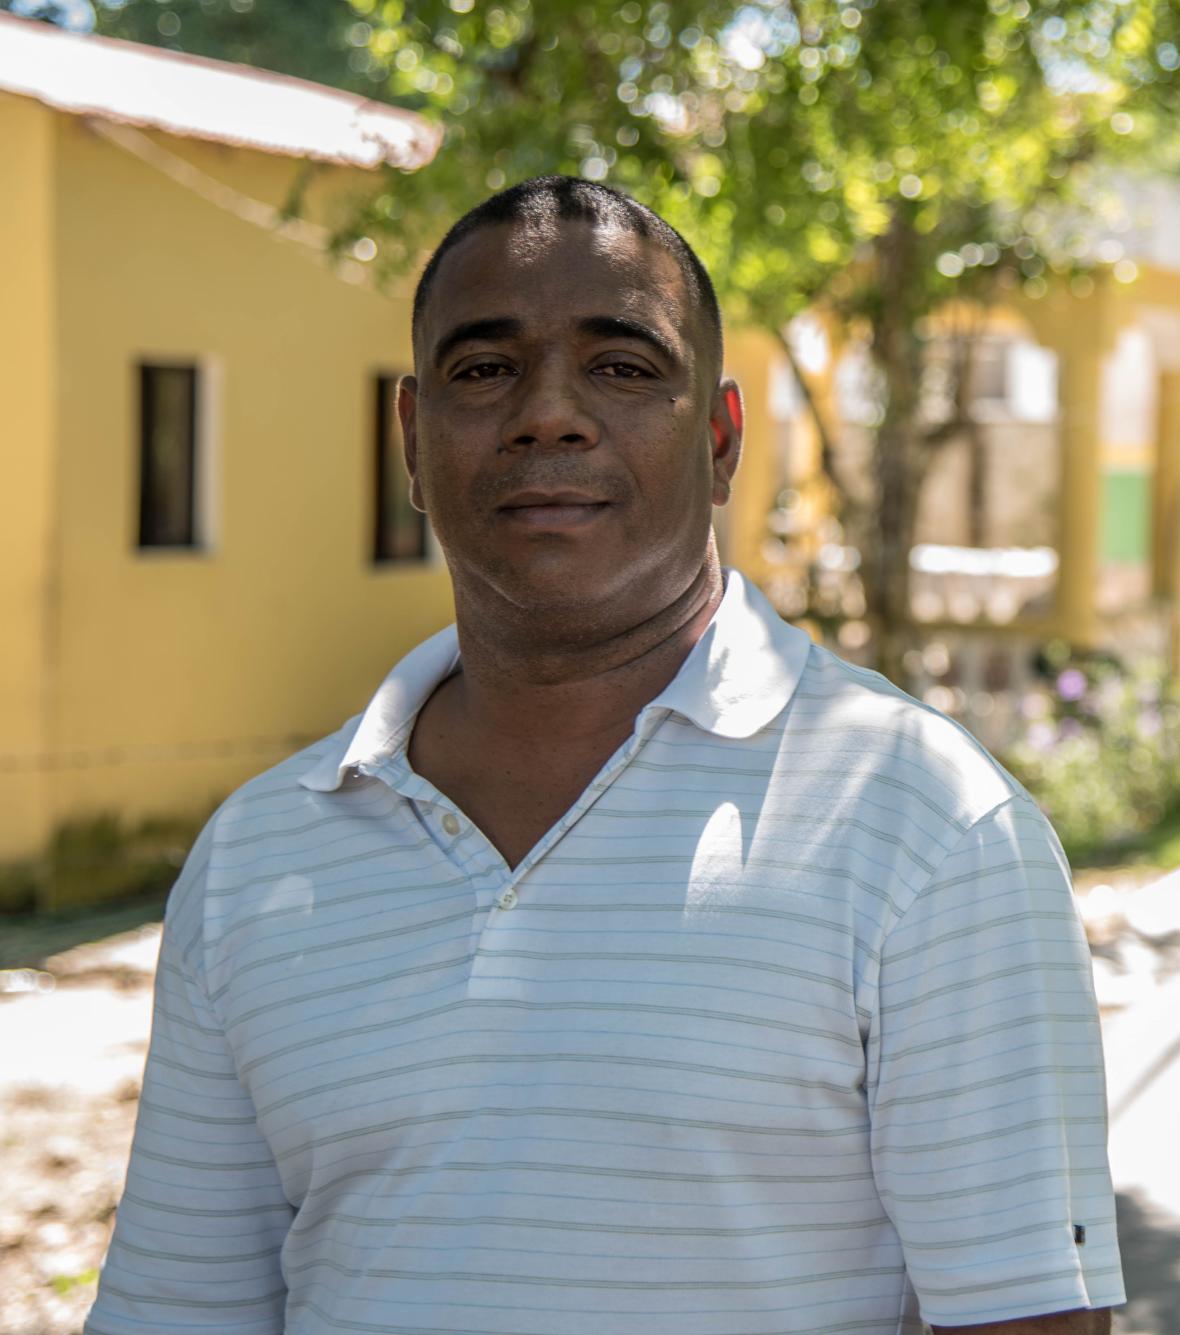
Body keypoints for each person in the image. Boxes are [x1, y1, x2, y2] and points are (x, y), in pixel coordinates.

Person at [85, 177, 1123, 1335]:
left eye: (623, 368)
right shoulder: (256, 858)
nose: (548, 415)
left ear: (719, 441)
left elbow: (1028, 1318)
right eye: (483, 372)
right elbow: (179, 1308)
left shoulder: (922, 822)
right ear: (411, 442)